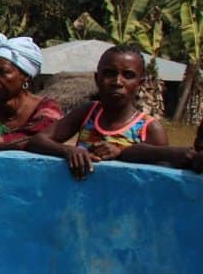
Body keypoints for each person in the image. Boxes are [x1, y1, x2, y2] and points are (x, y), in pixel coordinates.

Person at [28, 44, 173, 178]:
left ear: (139, 83)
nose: (117, 82)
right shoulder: (89, 112)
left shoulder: (149, 128)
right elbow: (38, 141)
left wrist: (120, 153)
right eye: (110, 73)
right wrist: (68, 150)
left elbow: (162, 176)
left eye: (128, 75)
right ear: (97, 79)